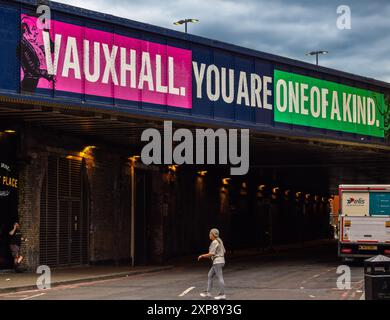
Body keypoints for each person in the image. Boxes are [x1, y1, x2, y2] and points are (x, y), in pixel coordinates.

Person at [198, 228, 226, 300]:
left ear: (213, 234)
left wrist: (202, 256)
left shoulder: (214, 242)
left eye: (210, 233)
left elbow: (211, 253)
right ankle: (208, 292)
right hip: (220, 261)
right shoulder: (220, 241)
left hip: (217, 262)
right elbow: (224, 251)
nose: (209, 235)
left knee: (220, 277)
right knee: (210, 275)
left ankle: (222, 294)